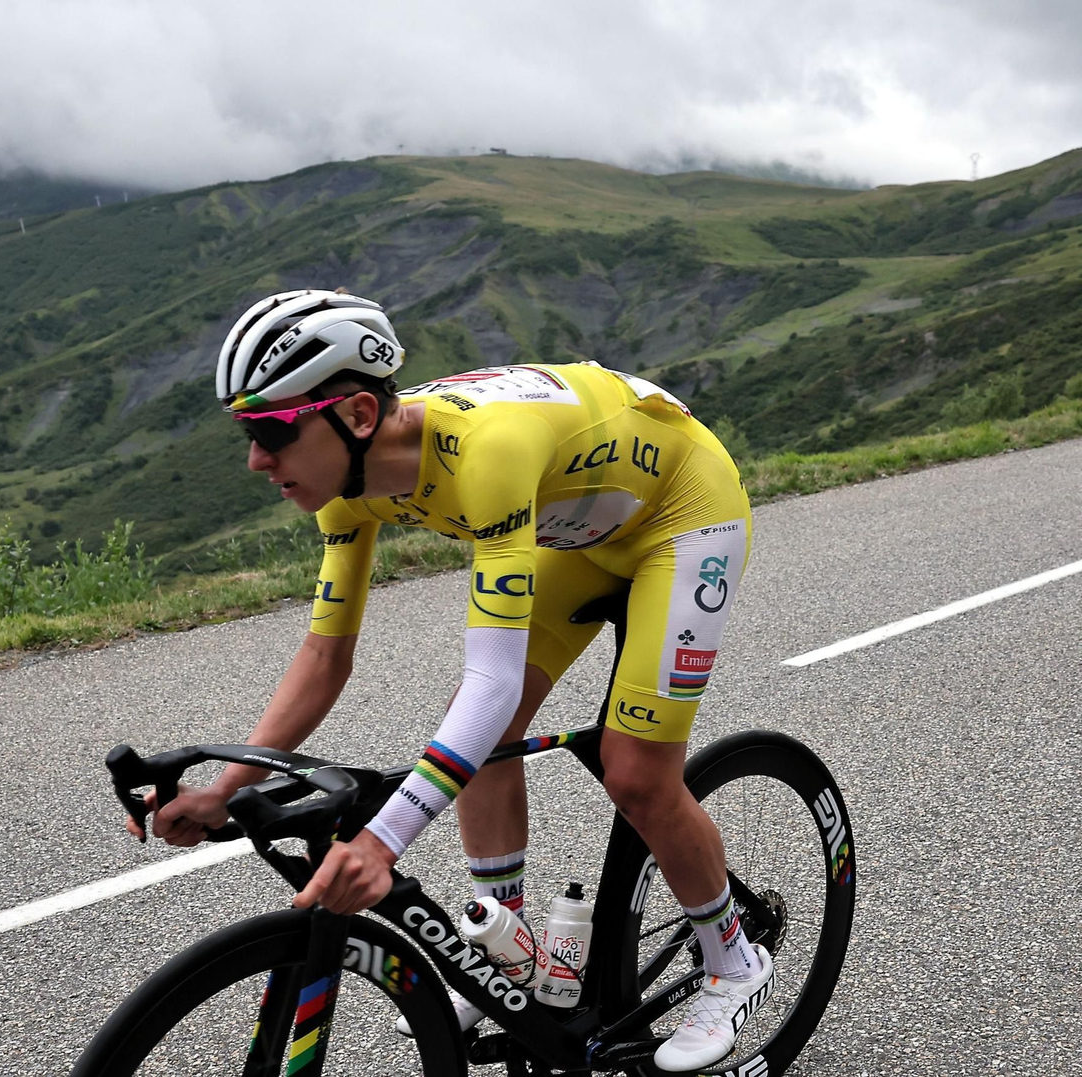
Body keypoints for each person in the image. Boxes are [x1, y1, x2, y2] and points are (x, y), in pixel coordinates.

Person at [128, 289, 773, 1072]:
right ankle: (507, 950)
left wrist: (380, 840)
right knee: (477, 738)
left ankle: (735, 961)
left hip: (680, 512)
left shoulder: (487, 454)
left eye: (271, 430)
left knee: (637, 774)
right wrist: (224, 788)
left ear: (359, 415)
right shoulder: (348, 492)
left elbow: (493, 679)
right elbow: (326, 658)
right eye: (245, 432)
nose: (255, 460)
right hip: (577, 528)